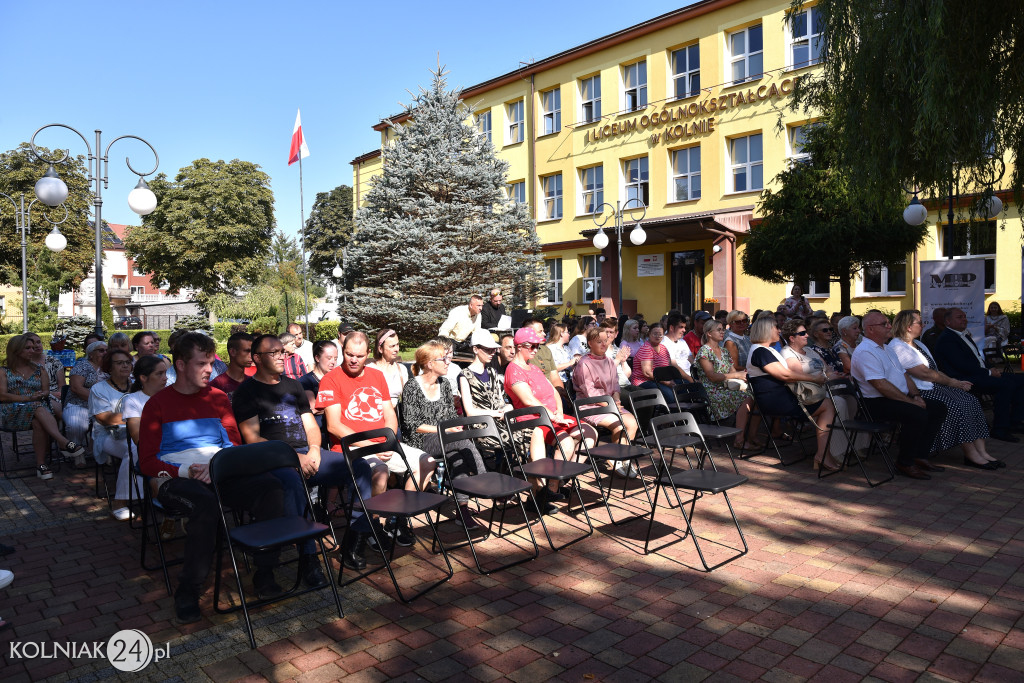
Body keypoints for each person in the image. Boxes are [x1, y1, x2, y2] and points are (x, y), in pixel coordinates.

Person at [138, 332, 288, 623]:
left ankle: (265, 570)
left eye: (210, 363)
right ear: (181, 365)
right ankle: (188, 589)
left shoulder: (218, 398)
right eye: (202, 364)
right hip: (176, 478)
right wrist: (186, 471)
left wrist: (217, 464)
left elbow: (234, 444)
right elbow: (146, 462)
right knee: (205, 506)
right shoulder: (157, 405)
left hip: (220, 471)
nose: (210, 369)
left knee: (270, 488)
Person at [232, 334, 347, 587]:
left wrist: (314, 449)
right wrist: (295, 458)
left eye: (282, 352)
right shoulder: (246, 392)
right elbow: (253, 439)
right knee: (293, 483)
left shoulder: (293, 386)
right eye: (273, 353)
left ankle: (356, 541)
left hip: (308, 452)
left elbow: (310, 425)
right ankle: (308, 557)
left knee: (356, 467)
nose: (281, 357)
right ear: (257, 358)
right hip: (273, 460)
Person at [316, 332, 432, 569]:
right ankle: (371, 526)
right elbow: (334, 426)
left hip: (383, 444)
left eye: (359, 356)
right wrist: (372, 446)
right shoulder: (331, 379)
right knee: (379, 473)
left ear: (368, 353)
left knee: (427, 462)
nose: (353, 360)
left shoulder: (376, 376)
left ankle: (397, 520)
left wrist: (388, 441)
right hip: (352, 447)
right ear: (343, 351)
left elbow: (389, 412)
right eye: (349, 354)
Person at [889, 310, 1000, 469]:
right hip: (920, 390)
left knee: (972, 401)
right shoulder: (898, 347)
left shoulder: (919, 344)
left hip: (934, 386)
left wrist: (956, 382)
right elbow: (925, 373)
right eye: (919, 322)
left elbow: (934, 369)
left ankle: (982, 452)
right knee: (958, 406)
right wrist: (953, 383)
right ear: (908, 327)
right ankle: (971, 454)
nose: (923, 325)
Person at [400, 340, 491, 524]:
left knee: (457, 456)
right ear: (430, 364)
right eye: (443, 359)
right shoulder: (412, 386)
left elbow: (450, 415)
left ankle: (462, 510)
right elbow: (412, 425)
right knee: (462, 442)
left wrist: (454, 426)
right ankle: (486, 482)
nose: (448, 361)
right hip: (420, 440)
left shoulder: (445, 384)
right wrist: (445, 429)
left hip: (445, 438)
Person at [851, 312, 947, 480]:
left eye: (888, 323)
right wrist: (911, 402)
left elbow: (904, 375)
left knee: (938, 408)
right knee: (917, 414)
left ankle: (920, 455)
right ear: (870, 329)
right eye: (884, 324)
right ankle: (905, 463)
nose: (889, 326)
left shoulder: (886, 348)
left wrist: (916, 395)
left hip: (894, 398)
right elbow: (880, 385)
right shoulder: (865, 351)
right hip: (874, 403)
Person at [746, 317, 839, 471]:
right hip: (775, 401)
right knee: (827, 405)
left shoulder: (765, 350)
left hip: (782, 397)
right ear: (766, 330)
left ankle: (825, 453)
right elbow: (785, 375)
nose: (779, 330)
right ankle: (823, 455)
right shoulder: (760, 351)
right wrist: (814, 379)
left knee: (826, 403)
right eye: (776, 327)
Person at [505, 326, 596, 460]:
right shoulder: (513, 370)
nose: (536, 349)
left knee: (590, 433)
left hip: (553, 416)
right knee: (566, 443)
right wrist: (553, 416)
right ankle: (558, 473)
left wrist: (559, 411)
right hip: (535, 419)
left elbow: (553, 390)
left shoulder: (534, 367)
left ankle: (571, 470)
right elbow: (529, 400)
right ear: (519, 346)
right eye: (532, 346)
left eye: (537, 346)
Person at [933, 308, 1024, 442]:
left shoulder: (963, 335)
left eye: (964, 316)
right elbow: (962, 365)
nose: (964, 319)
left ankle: (1015, 421)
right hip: (963, 378)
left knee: (1021, 380)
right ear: (948, 322)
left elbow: (977, 358)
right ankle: (1000, 428)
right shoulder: (947, 339)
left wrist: (991, 368)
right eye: (959, 317)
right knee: (1006, 385)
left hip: (978, 373)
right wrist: (989, 372)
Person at [0, 334, 84, 479]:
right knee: (38, 407)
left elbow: (46, 391)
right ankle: (62, 441)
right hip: (13, 412)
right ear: (16, 350)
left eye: (33, 348)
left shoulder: (40, 369)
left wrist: (41, 394)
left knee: (38, 420)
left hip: (36, 410)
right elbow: (2, 396)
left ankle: (41, 465)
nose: (32, 350)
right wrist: (28, 398)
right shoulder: (4, 371)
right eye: (27, 348)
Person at [573, 326, 640, 479]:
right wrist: (611, 405)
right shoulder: (584, 364)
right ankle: (616, 457)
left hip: (610, 404)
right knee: (619, 425)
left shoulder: (609, 361)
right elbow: (590, 393)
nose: (604, 344)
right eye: (599, 342)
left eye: (605, 341)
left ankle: (623, 456)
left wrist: (616, 400)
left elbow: (615, 385)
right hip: (590, 406)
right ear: (590, 343)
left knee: (632, 423)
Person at [692, 321, 759, 450]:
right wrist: (736, 375)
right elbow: (712, 376)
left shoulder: (724, 351)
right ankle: (739, 440)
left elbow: (732, 371)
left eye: (723, 329)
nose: (722, 332)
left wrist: (740, 376)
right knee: (746, 398)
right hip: (711, 392)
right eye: (719, 330)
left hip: (727, 388)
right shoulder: (704, 351)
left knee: (757, 396)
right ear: (709, 333)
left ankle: (751, 436)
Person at [89, 349, 135, 520]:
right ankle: (120, 502)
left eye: (128, 362)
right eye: (119, 363)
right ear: (109, 367)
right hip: (107, 435)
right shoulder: (99, 389)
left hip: (137, 431)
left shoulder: (138, 385)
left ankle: (154, 492)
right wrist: (138, 417)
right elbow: (104, 418)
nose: (125, 366)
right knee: (134, 450)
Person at [65, 340, 109, 453]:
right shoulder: (83, 366)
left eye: (107, 350)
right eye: (101, 350)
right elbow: (76, 388)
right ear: (91, 354)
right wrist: (98, 399)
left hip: (105, 406)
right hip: (79, 404)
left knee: (113, 422)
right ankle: (76, 450)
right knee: (75, 425)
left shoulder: (109, 367)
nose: (105, 353)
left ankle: (100, 452)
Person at [629, 323, 683, 405]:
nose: (657, 336)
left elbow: (668, 367)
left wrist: (670, 380)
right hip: (644, 381)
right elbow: (647, 373)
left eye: (660, 334)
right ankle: (671, 412)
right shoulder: (646, 349)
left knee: (683, 386)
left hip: (660, 380)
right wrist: (665, 382)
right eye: (655, 334)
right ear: (649, 334)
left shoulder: (663, 348)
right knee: (669, 394)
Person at [299, 340, 338, 441]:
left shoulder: (337, 379)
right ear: (317, 358)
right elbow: (314, 408)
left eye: (335, 358)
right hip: (319, 432)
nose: (333, 362)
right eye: (329, 358)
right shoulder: (306, 381)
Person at [367, 328, 409, 407]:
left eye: (397, 344)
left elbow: (407, 397)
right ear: (380, 349)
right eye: (392, 346)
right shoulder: (370, 369)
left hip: (397, 413)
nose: (396, 349)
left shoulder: (402, 369)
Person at [30, 332, 64, 424]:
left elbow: (62, 386)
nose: (37, 345)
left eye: (38, 342)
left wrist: (59, 394)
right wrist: (50, 394)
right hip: (36, 397)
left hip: (56, 396)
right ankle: (66, 425)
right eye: (33, 343)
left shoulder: (54, 361)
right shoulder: (24, 364)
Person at [210, 332, 254, 400]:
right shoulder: (216, 386)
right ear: (233, 352)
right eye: (247, 351)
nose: (251, 356)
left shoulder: (253, 383)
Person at [662, 313, 694, 379]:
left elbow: (691, 359)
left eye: (684, 327)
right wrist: (691, 380)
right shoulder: (664, 343)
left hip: (691, 376)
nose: (684, 330)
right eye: (681, 327)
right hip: (677, 379)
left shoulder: (683, 341)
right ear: (671, 328)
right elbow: (673, 365)